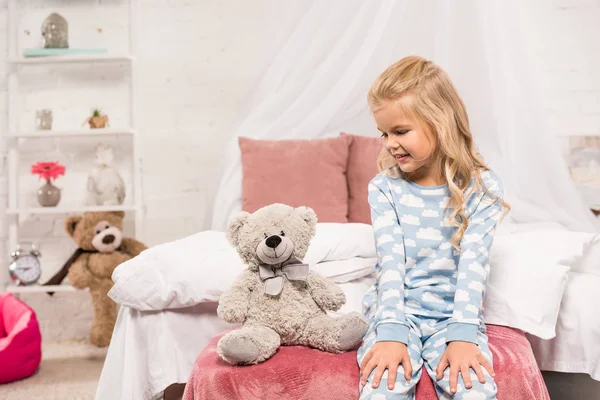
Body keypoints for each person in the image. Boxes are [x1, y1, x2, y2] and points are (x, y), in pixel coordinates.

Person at [358, 55, 511, 400]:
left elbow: (474, 266)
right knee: (383, 388)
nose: (389, 143)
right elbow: (391, 264)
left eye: (400, 131)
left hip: (452, 314)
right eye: (384, 133)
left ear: (440, 123)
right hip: (398, 311)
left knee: (474, 390)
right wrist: (392, 331)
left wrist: (461, 334)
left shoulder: (483, 188)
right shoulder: (384, 188)